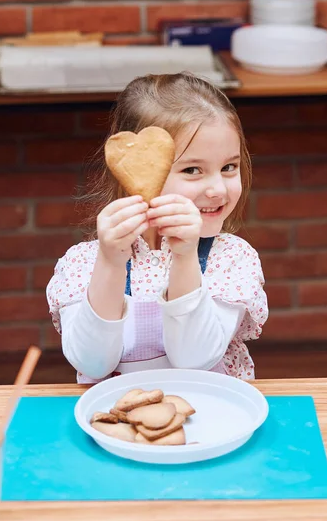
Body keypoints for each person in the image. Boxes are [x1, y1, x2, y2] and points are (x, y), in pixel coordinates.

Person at [47, 73, 268, 384]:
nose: (218, 188)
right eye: (193, 170)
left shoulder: (231, 259)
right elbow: (93, 363)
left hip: (211, 414)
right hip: (117, 421)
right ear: (137, 170)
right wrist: (110, 265)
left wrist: (186, 257)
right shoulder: (85, 263)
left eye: (229, 167)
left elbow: (195, 359)